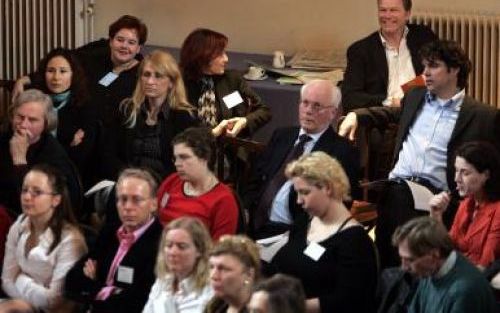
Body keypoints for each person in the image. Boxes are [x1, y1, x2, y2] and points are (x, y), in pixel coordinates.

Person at [339, 39, 500, 268]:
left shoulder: (483, 116)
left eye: (433, 66)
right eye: (424, 66)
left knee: (396, 207)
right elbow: (390, 113)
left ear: (454, 70)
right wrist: (357, 115)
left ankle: (393, 280)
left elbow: (492, 166)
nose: (425, 73)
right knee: (395, 196)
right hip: (397, 187)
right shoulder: (415, 97)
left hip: (437, 195)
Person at [264, 151, 378, 313]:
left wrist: (292, 306)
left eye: (304, 192)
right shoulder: (304, 221)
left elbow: (349, 301)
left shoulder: (355, 242)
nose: (298, 200)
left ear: (327, 188)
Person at [246, 80, 360, 238]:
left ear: (333, 113)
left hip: (296, 233)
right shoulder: (282, 136)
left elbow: (340, 205)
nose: (308, 111)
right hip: (255, 225)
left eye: (317, 106)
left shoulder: (342, 151)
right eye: (305, 103)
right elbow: (255, 178)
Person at [13, 15, 148, 130]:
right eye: (120, 40)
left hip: (116, 134)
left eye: (131, 42)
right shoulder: (94, 55)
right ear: (111, 41)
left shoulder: (144, 73)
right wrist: (25, 79)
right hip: (80, 125)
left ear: (138, 48)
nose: (124, 46)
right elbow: (61, 61)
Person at [65, 168, 163, 313]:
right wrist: (111, 291)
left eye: (137, 200)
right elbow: (72, 281)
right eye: (122, 199)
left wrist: (93, 286)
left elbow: (137, 304)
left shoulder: (161, 244)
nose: (128, 207)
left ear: (153, 204)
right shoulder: (109, 232)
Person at [1, 164, 87, 312]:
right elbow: (7, 280)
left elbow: (55, 301)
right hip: (20, 305)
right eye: (25, 190)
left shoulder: (70, 240)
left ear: (56, 200)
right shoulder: (20, 224)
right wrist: (23, 304)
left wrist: (20, 279)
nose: (27, 197)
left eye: (37, 192)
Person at [100, 50, 197, 180]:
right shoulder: (127, 110)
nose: (150, 81)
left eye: (158, 76)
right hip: (127, 182)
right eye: (146, 75)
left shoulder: (184, 117)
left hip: (166, 186)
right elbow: (108, 155)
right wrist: (128, 178)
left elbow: (186, 164)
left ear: (171, 83)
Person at [341, 0, 437, 111]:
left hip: (422, 111)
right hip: (383, 118)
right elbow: (350, 98)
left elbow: (443, 74)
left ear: (407, 14)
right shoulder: (360, 51)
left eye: (393, 10)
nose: (387, 15)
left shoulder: (424, 37)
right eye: (383, 10)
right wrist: (389, 101)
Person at [0, 89, 83, 217]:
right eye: (20, 117)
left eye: (32, 120)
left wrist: (19, 160)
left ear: (46, 124)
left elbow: (39, 205)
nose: (23, 125)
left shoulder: (53, 155)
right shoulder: (4, 139)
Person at [27, 47, 98, 188]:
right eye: (51, 71)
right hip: (32, 175)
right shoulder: (32, 103)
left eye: (63, 71)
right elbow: (27, 151)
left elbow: (80, 157)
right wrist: (67, 146)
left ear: (73, 75)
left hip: (69, 179)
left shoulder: (85, 107)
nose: (56, 78)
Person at [393, 217, 497, 313]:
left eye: (410, 260)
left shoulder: (464, 291)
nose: (404, 267)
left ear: (434, 255)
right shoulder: (429, 270)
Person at [180, 28, 270, 138]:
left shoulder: (231, 79)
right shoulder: (181, 85)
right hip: (192, 151)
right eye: (220, 54)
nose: (226, 59)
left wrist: (244, 121)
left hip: (231, 150)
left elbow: (264, 111)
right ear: (203, 56)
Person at [157, 127, 238, 240]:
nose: (177, 164)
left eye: (184, 157)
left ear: (205, 158)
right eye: (175, 158)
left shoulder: (224, 200)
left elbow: (219, 251)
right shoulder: (172, 181)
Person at [429, 141, 500, 268]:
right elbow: (445, 250)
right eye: (456, 170)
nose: (456, 178)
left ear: (486, 175)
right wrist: (436, 216)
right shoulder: (465, 204)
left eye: (465, 173)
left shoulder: (498, 210)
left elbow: (486, 264)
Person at [142, 217, 213, 313]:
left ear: (199, 250)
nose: (173, 252)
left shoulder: (210, 290)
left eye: (182, 247)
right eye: (169, 245)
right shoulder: (162, 281)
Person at [204, 235, 260, 313]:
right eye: (211, 267)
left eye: (223, 269)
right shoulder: (214, 306)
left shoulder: (261, 309)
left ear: (249, 274)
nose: (213, 276)